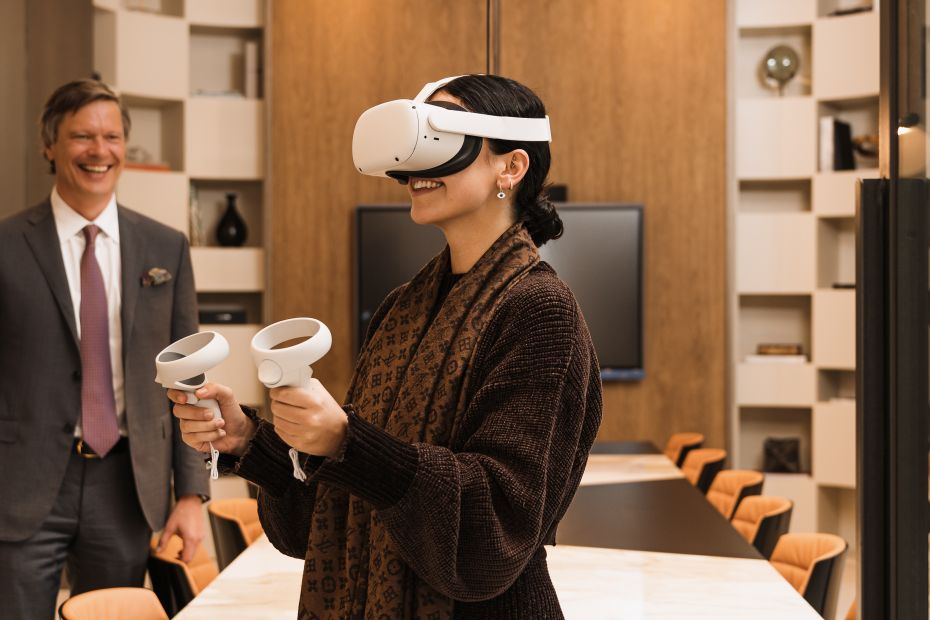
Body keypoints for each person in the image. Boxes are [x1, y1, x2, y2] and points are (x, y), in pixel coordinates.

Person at [170, 74, 603, 618]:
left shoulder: (540, 312)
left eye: (440, 146)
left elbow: (492, 531)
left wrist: (350, 440)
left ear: (511, 168)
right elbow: (334, 512)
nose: (416, 171)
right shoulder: (404, 308)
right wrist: (249, 442)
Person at [0, 79, 209, 619]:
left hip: (126, 486)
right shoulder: (4, 246)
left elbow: (188, 379)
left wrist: (191, 495)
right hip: (18, 488)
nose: (100, 151)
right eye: (82, 136)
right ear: (49, 146)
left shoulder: (167, 248)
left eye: (112, 136)